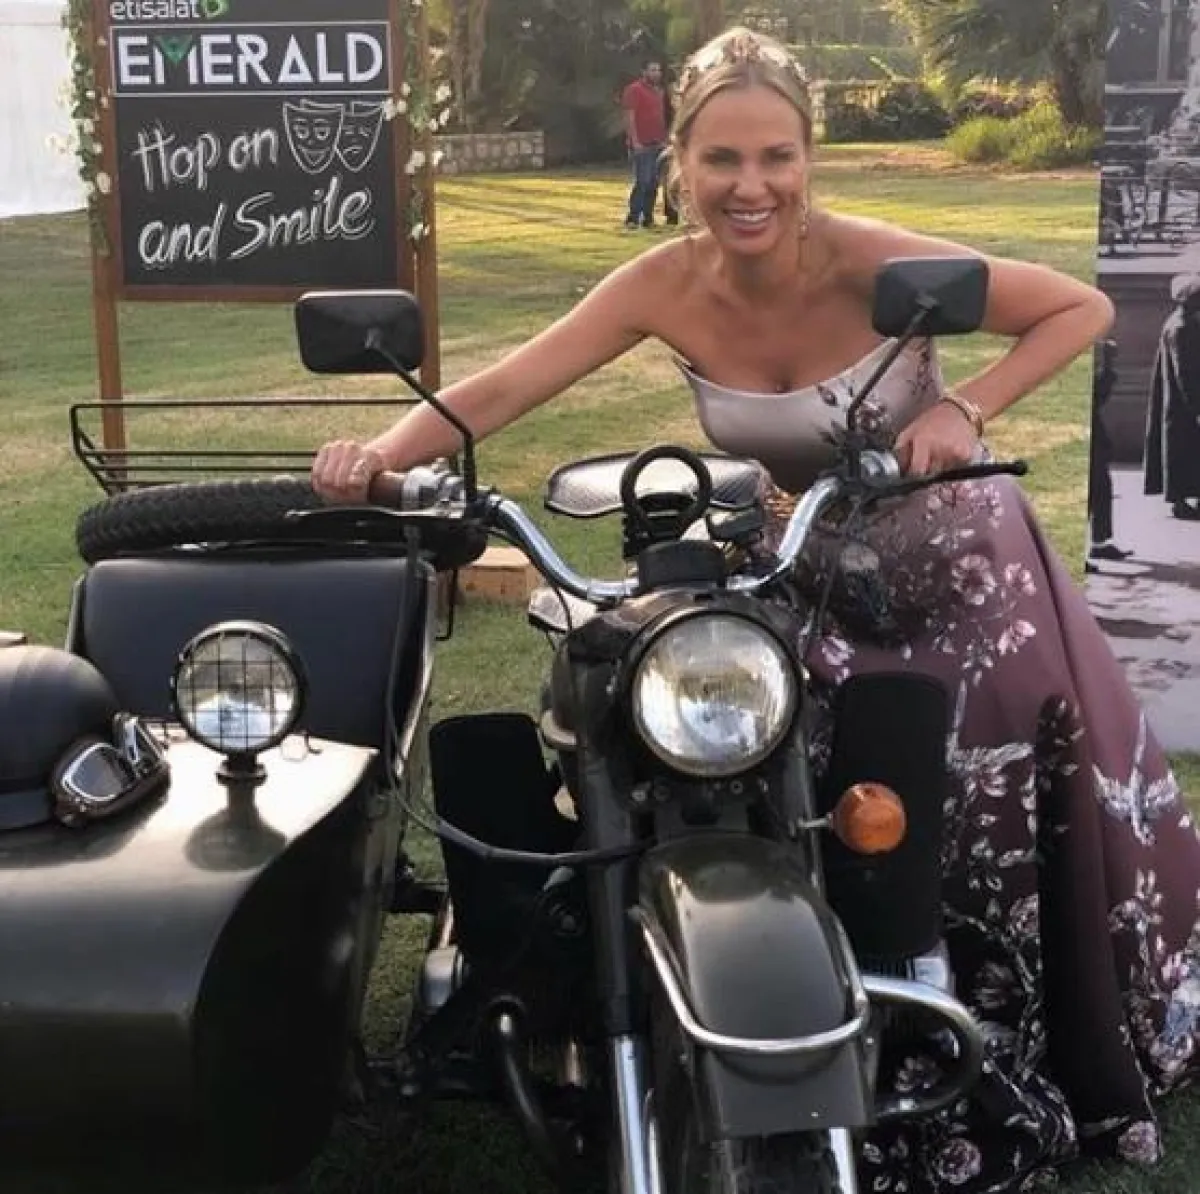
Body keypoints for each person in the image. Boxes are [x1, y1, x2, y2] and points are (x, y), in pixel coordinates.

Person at [314, 26, 1200, 1192]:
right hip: (809, 572)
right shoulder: (662, 282)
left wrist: (966, 408)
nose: (751, 185)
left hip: (965, 583)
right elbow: (511, 381)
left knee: (967, 832)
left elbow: (1075, 308)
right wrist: (378, 455)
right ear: (677, 159)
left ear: (808, 157)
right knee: (785, 801)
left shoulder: (871, 262)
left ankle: (1000, 1059)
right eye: (722, 158)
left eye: (776, 156)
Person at [1144, 273, 1200, 519]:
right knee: (1183, 452)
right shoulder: (1183, 328)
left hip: (1179, 404)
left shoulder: (1180, 323)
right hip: (1183, 406)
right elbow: (1185, 372)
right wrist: (1197, 407)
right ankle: (1179, 501)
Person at [1087, 337, 1133, 569]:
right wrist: (1106, 366)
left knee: (1101, 489)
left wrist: (1107, 365)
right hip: (1084, 433)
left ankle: (1100, 542)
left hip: (1093, 435)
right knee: (1093, 489)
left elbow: (1097, 397)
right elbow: (1095, 397)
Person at [620, 59, 667, 230]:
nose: (656, 73)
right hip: (642, 144)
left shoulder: (659, 92)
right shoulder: (634, 90)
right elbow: (629, 116)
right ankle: (632, 218)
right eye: (652, 70)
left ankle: (648, 218)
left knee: (654, 183)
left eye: (658, 70)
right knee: (642, 181)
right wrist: (635, 141)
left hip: (657, 143)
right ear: (644, 72)